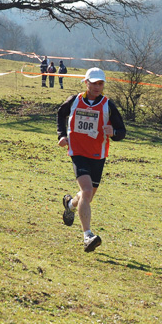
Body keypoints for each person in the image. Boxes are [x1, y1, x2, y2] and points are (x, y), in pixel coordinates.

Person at [57, 67, 126, 252]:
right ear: (86, 83)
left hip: (98, 155)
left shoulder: (107, 105)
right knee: (87, 191)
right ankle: (88, 236)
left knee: (87, 196)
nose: (97, 86)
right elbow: (60, 114)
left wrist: (114, 133)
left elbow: (122, 131)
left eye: (100, 83)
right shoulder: (74, 101)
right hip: (78, 152)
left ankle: (70, 204)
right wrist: (61, 135)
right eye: (94, 83)